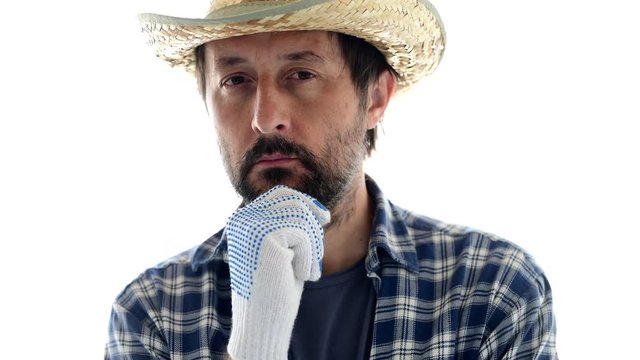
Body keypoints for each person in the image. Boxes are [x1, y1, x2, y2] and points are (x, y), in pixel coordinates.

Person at [106, 0, 558, 359]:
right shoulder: (154, 311)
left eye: (302, 74)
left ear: (376, 96)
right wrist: (252, 347)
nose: (265, 119)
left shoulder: (489, 289)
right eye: (236, 80)